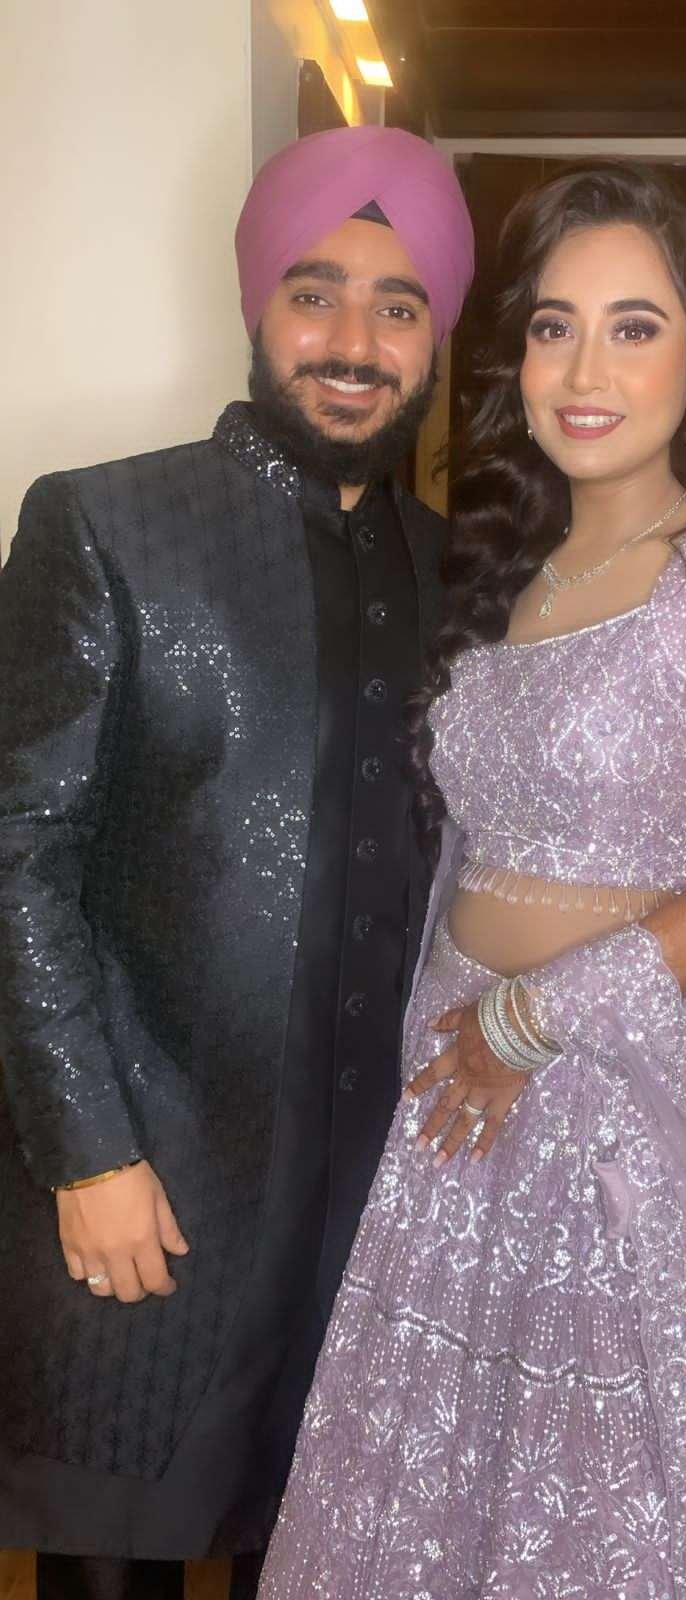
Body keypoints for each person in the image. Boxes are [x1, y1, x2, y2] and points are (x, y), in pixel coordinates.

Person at [260, 161, 686, 1599]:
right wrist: (441, 1026)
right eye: (554, 328)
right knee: (438, 1473)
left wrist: (529, 1022)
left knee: (605, 1495)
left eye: (634, 328)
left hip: (621, 1094)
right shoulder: (504, 570)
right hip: (451, 1085)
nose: (587, 371)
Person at [0, 125, 473, 1599]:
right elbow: (16, 849)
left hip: (368, 1204)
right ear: (258, 300)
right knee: (116, 1554)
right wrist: (86, 1150)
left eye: (400, 307)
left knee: (320, 1554)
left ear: (437, 336)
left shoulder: (458, 572)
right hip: (150, 1183)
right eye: (315, 293)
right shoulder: (109, 523)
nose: (354, 343)